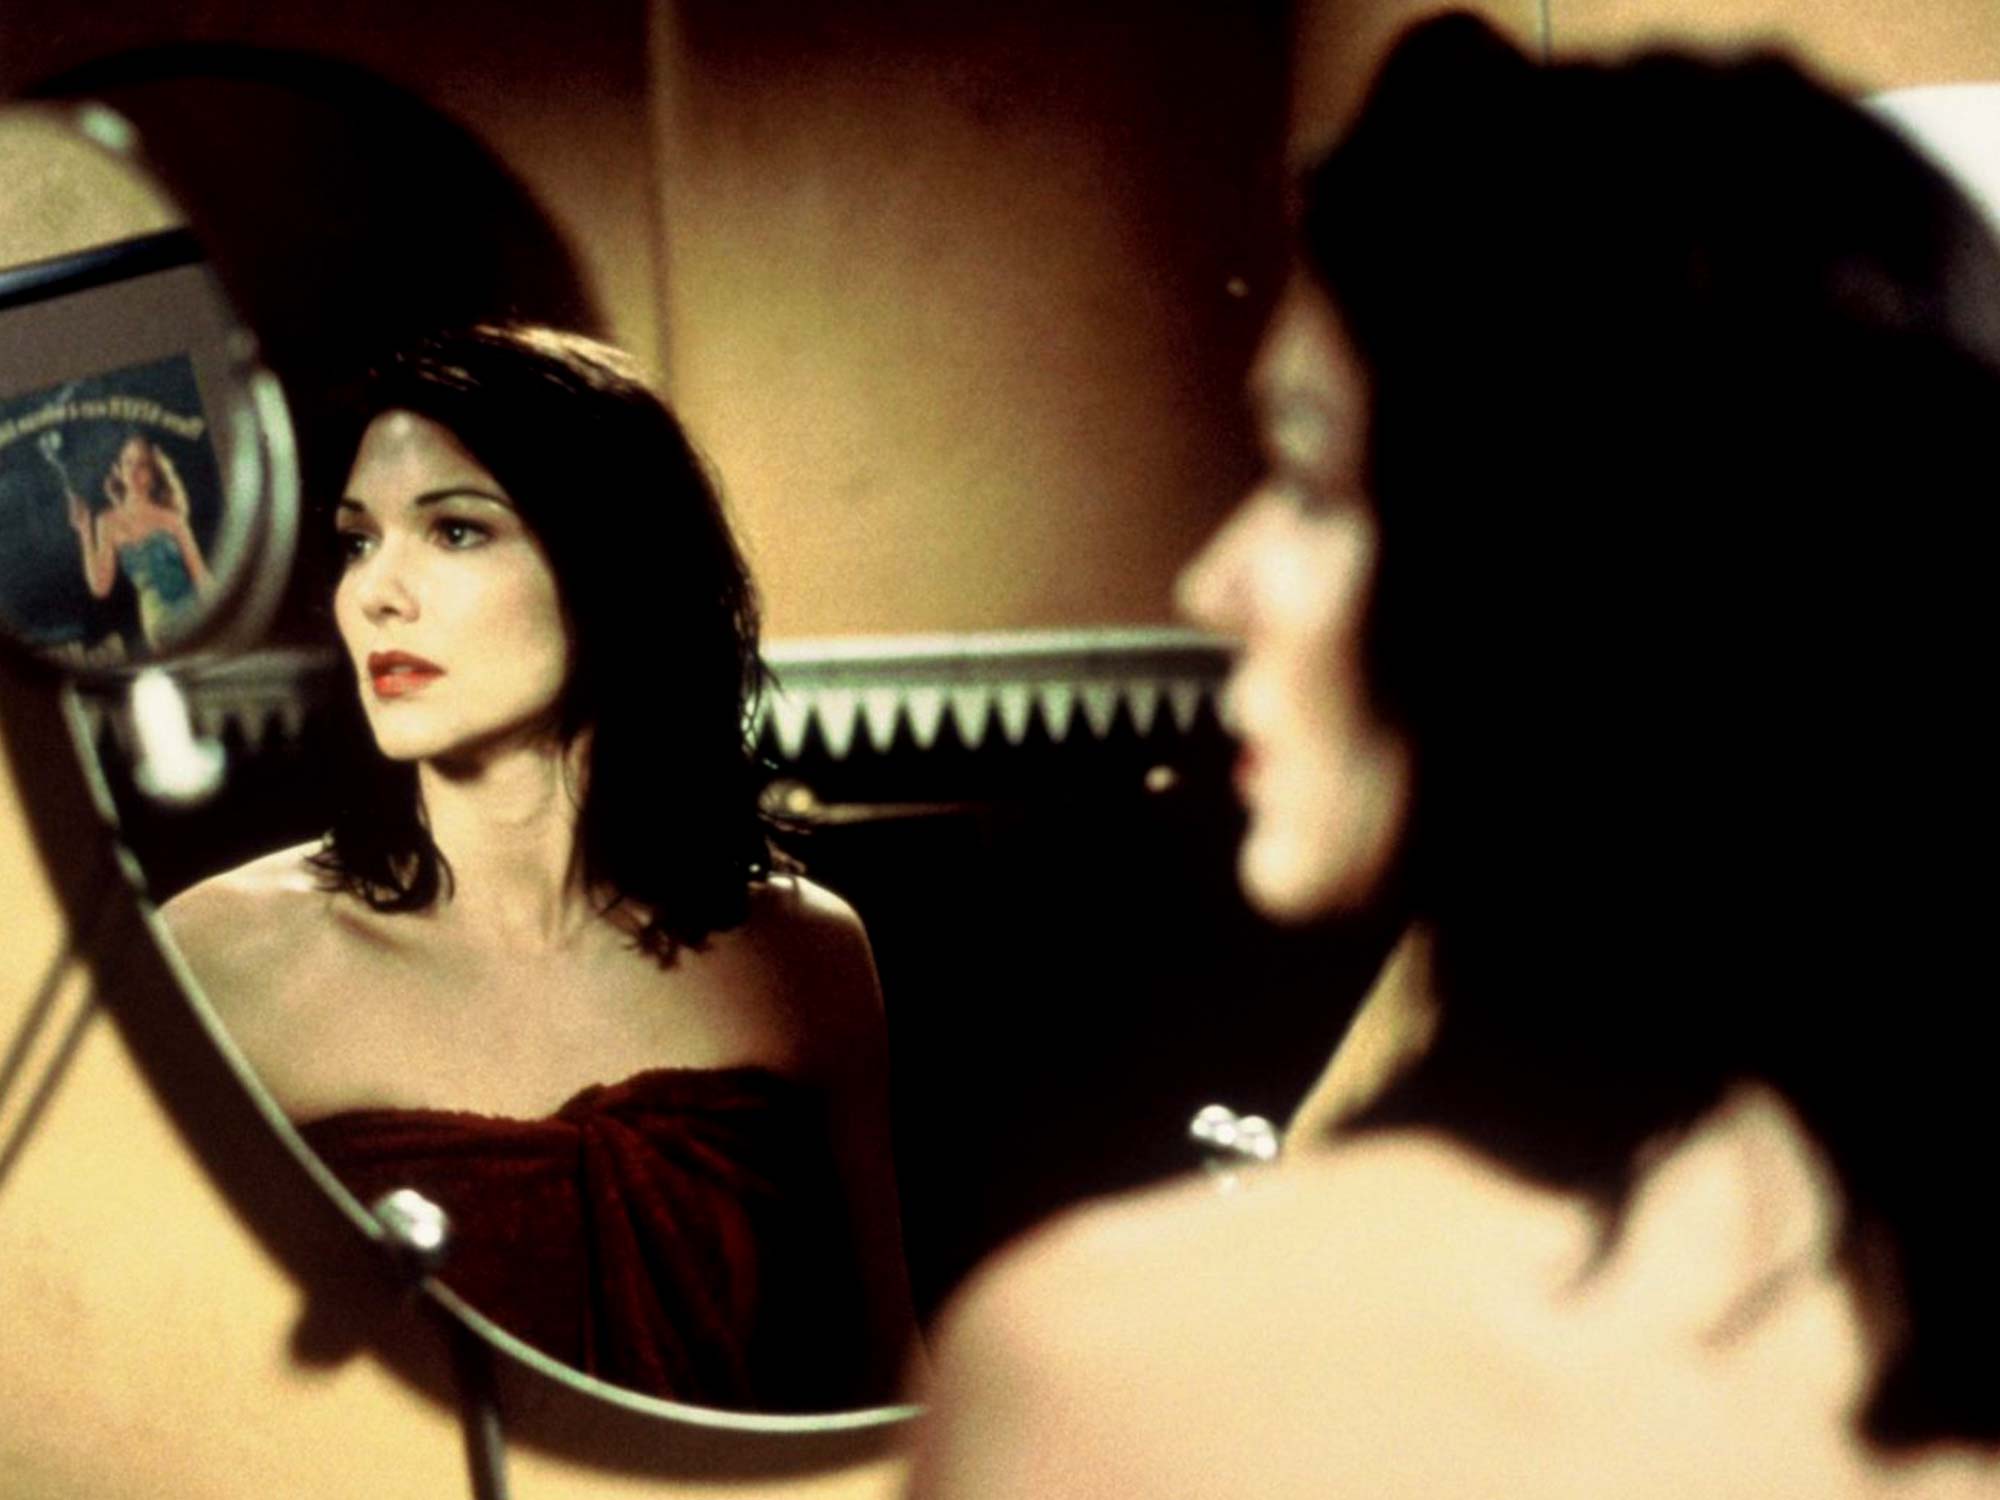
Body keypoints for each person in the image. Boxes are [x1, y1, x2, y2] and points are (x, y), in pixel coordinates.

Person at [906, 15, 2000, 1495]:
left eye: (1310, 484)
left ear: (1547, 574)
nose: (1212, 581)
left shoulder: (1098, 1362)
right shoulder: (1918, 1302)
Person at [164, 324, 917, 1412]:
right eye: (357, 541)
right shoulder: (222, 959)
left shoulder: (805, 955)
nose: (377, 592)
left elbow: (887, 1388)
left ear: (612, 569)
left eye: (455, 531)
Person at [54, 430, 211, 647]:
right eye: (128, 462)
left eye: (142, 464)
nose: (134, 471)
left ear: (154, 473)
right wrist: (84, 531)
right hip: (158, 624)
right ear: (119, 469)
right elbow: (100, 586)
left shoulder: (172, 518)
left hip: (195, 613)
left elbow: (200, 575)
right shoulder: (107, 522)